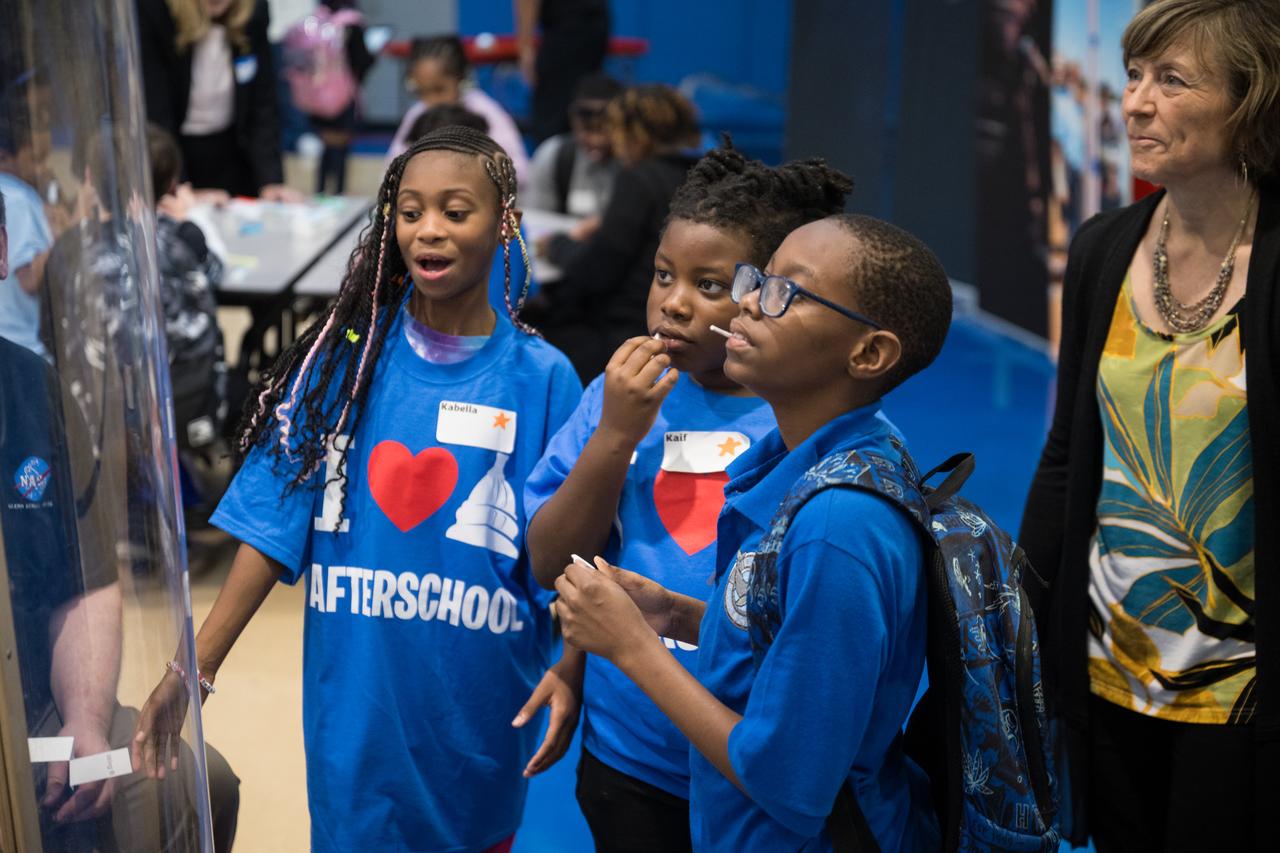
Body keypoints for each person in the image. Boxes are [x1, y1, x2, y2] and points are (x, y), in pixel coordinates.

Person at [132, 126, 584, 853]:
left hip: (478, 729)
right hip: (356, 732)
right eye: (410, 212)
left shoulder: (545, 379)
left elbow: (579, 559)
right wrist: (194, 669)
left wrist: (575, 664)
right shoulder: (345, 361)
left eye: (455, 211)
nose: (428, 229)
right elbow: (269, 525)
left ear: (505, 222)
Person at [553, 213, 951, 850]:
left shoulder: (838, 526)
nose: (748, 302)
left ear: (868, 354)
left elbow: (788, 783)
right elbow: (786, 631)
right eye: (757, 280)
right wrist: (677, 616)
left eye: (786, 292)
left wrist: (631, 647)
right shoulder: (816, 456)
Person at [520, 144, 852, 850]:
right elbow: (553, 561)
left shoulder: (799, 420)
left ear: (767, 294)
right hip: (631, 758)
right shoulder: (618, 397)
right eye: (664, 274)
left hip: (750, 765)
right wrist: (616, 433)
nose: (673, 302)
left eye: (709, 285)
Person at [1018, 1, 1280, 850]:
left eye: (1172, 80)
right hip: (1108, 671)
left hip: (1239, 690)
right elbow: (1068, 456)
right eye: (1133, 75)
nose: (1134, 101)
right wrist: (1020, 621)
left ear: (1251, 99)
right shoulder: (1104, 247)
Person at [0, 190, 241, 852]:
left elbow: (87, 586)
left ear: (2, 251)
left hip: (33, 712)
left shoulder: (36, 391)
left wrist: (83, 717)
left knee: (197, 782)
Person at [534, 84, 702, 382]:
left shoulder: (640, 179)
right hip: (672, 326)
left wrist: (558, 245)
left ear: (632, 132)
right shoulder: (699, 175)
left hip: (624, 334)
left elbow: (597, 270)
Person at [136, 0, 300, 201]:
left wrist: (270, 181)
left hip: (232, 152)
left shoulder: (253, 11)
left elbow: (263, 104)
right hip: (178, 152)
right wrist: (177, 186)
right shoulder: (155, 10)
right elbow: (156, 109)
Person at [148, 123, 228, 455]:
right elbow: (216, 272)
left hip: (116, 405)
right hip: (185, 399)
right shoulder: (183, 237)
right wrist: (190, 216)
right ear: (172, 184)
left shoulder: (87, 241)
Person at [386, 36, 530, 186]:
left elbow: (519, 173)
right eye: (421, 91)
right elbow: (391, 171)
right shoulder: (418, 113)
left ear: (460, 79)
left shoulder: (485, 113)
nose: (431, 101)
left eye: (439, 89)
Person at [302, 0, 377, 196]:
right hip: (343, 94)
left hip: (319, 93)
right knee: (341, 146)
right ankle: (338, 193)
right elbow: (362, 59)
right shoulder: (351, 23)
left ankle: (320, 192)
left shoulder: (317, 20)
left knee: (326, 146)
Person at [523, 71, 622, 218]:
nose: (596, 141)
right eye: (588, 130)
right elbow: (536, 221)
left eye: (605, 130)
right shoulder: (554, 155)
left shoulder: (635, 163)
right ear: (572, 119)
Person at [0, 82, 53, 356]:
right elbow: (29, 279)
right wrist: (71, 231)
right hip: (22, 345)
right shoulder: (17, 198)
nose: (42, 169)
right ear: (4, 157)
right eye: (35, 160)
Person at [515, 0, 610, 145]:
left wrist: (525, 47)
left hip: (577, 29)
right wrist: (525, 47)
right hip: (579, 27)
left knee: (564, 117)